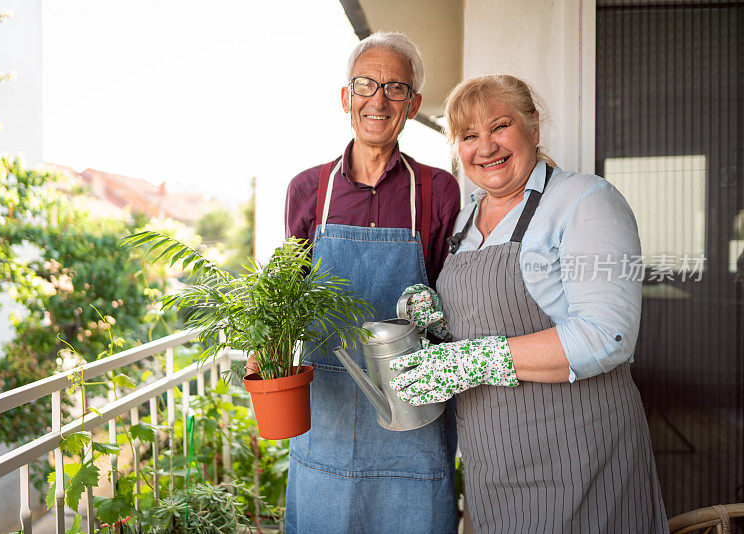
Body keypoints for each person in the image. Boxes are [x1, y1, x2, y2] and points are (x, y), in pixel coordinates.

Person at [389, 75, 669, 532]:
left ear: (533, 128)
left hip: (580, 460)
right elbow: (473, 328)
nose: (486, 147)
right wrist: (437, 323)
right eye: (468, 135)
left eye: (499, 126)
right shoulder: (463, 221)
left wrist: (479, 360)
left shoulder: (585, 200)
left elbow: (607, 336)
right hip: (493, 468)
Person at [273, 32, 461, 533]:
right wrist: (264, 352)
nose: (379, 99)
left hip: (413, 405)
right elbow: (285, 293)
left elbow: (451, 301)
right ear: (345, 97)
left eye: (396, 88)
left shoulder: (439, 192)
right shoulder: (308, 190)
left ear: (414, 104)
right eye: (366, 84)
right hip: (328, 409)